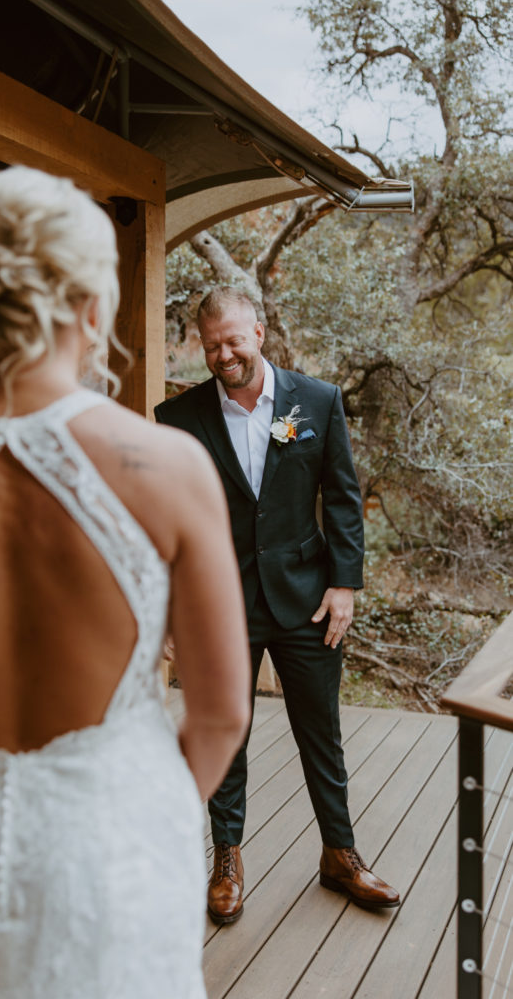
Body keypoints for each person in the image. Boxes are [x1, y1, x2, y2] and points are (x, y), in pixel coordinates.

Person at [0, 168, 251, 998]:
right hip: (115, 843)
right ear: (94, 304)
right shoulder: (168, 465)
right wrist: (132, 801)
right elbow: (221, 711)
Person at [155, 286, 400, 924]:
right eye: (211, 345)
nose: (223, 354)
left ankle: (340, 854)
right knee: (225, 731)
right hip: (220, 603)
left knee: (321, 732)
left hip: (308, 600)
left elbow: (342, 500)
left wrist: (344, 585)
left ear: (258, 333)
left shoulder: (316, 401)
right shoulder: (176, 420)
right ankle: (227, 859)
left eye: (233, 340)